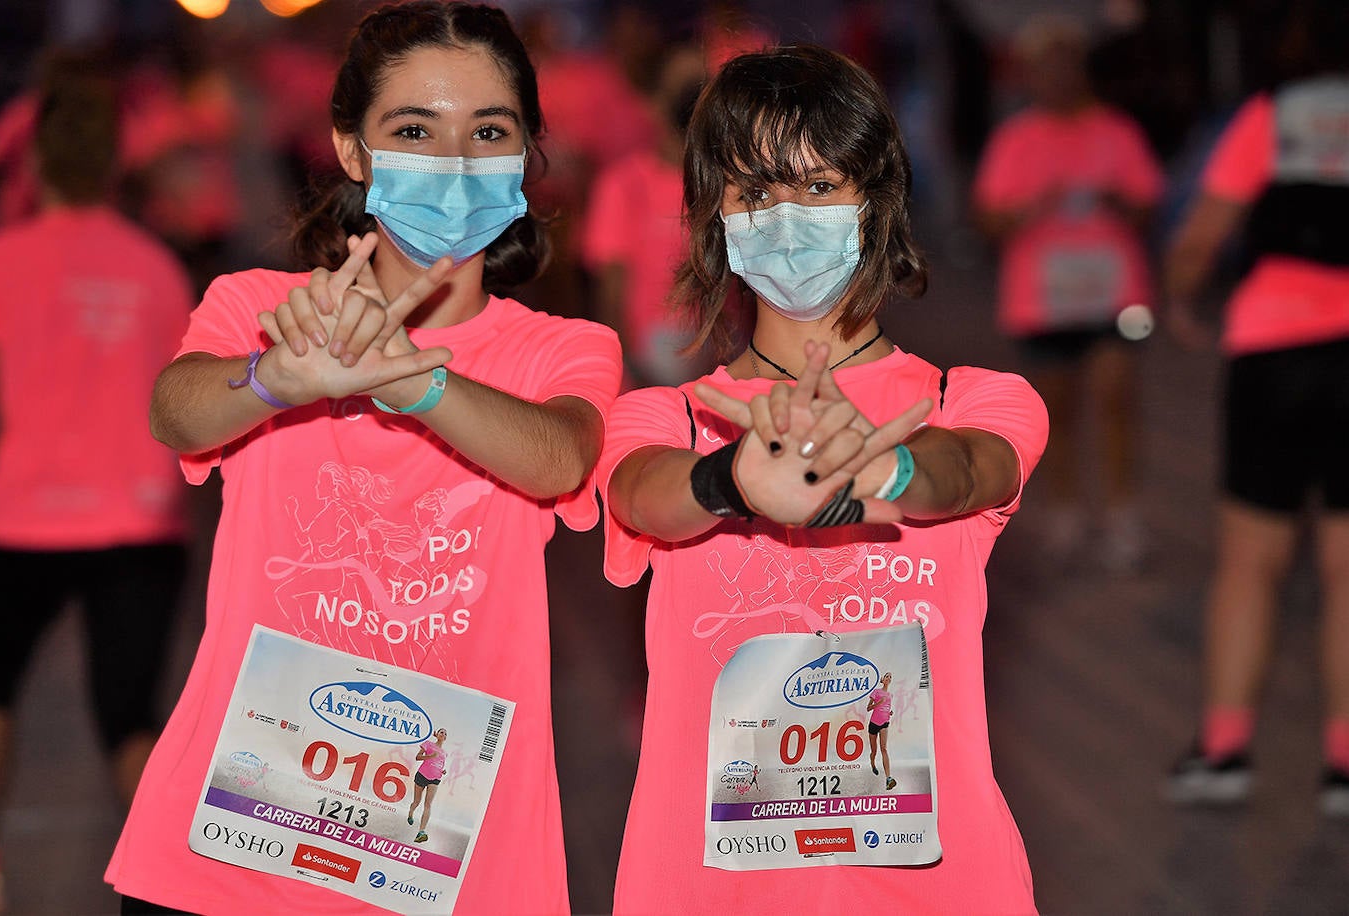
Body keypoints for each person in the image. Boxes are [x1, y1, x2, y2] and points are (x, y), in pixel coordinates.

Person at [105, 3, 621, 913]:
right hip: (226, 851)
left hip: (447, 865)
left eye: (488, 131)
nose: (455, 161)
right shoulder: (262, 306)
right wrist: (276, 377)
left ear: (526, 159)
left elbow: (559, 460)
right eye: (415, 129)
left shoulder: (564, 349)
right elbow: (176, 414)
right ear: (353, 149)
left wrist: (409, 381)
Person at [599, 45, 1047, 913]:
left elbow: (971, 473)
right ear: (713, 220)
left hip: (937, 886)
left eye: (818, 186)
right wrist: (733, 481)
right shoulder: (667, 419)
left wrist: (887, 465)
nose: (786, 217)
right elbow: (644, 493)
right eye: (755, 192)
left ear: (875, 203)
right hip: (706, 888)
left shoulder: (972, 400)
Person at [0, 63, 193, 914]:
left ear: (33, 164)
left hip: (16, 520)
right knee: (129, 716)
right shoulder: (157, 270)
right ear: (112, 164)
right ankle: (164, 889)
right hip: (138, 525)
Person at [1162, 2, 1349, 815]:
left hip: (1274, 348)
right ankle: (1344, 767)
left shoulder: (1275, 115)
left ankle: (1225, 751)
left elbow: (1202, 238)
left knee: (1250, 559)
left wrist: (1183, 302)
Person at [973, 14, 1163, 571]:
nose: (1055, 76)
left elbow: (1150, 204)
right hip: (1043, 300)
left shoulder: (1116, 130)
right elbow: (987, 220)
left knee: (1116, 397)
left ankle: (1123, 515)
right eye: (1044, 67)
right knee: (1056, 411)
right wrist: (1033, 209)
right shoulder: (1016, 138)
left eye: (1066, 63)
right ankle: (1066, 513)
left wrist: (1117, 203)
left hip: (1115, 295)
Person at [582, 43, 711, 388]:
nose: (695, 100)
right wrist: (630, 367)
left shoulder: (724, 182)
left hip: (718, 354)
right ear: (654, 104)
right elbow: (610, 290)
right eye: (683, 91)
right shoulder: (624, 183)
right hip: (647, 360)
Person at [408, 727, 448, 844]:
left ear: (445, 738)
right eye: (442, 732)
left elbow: (440, 764)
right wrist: (429, 756)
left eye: (445, 734)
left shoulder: (445, 753)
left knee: (428, 804)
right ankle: (410, 813)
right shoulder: (428, 744)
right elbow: (418, 757)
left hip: (435, 779)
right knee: (417, 802)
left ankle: (421, 831)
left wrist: (443, 771)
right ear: (438, 734)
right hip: (422, 775)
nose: (443, 734)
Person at [866, 671, 895, 789]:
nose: (888, 678)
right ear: (883, 679)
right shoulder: (876, 692)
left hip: (884, 723)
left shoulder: (890, 695)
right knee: (874, 751)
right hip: (873, 724)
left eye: (890, 677)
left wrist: (889, 713)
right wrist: (878, 703)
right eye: (887, 676)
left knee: (884, 748)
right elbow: (868, 708)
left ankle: (889, 778)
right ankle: (872, 764)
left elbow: (886, 708)